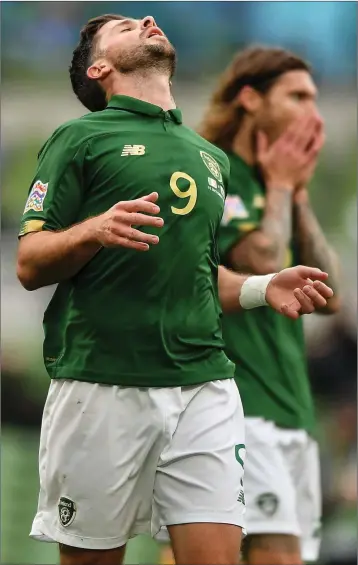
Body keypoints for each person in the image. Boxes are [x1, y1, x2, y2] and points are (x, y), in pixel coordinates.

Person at [16, 17, 333, 565]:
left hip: (203, 384)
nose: (146, 20)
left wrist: (262, 285)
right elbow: (29, 262)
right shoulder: (80, 137)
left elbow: (200, 273)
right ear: (101, 68)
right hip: (102, 380)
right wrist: (93, 228)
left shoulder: (208, 157)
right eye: (122, 26)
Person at [197, 47, 340, 565]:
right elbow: (256, 258)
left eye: (315, 99)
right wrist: (280, 186)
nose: (313, 113)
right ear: (251, 98)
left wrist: (296, 195)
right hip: (240, 405)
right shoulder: (218, 171)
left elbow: (331, 295)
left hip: (291, 408)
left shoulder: (274, 187)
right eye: (298, 96)